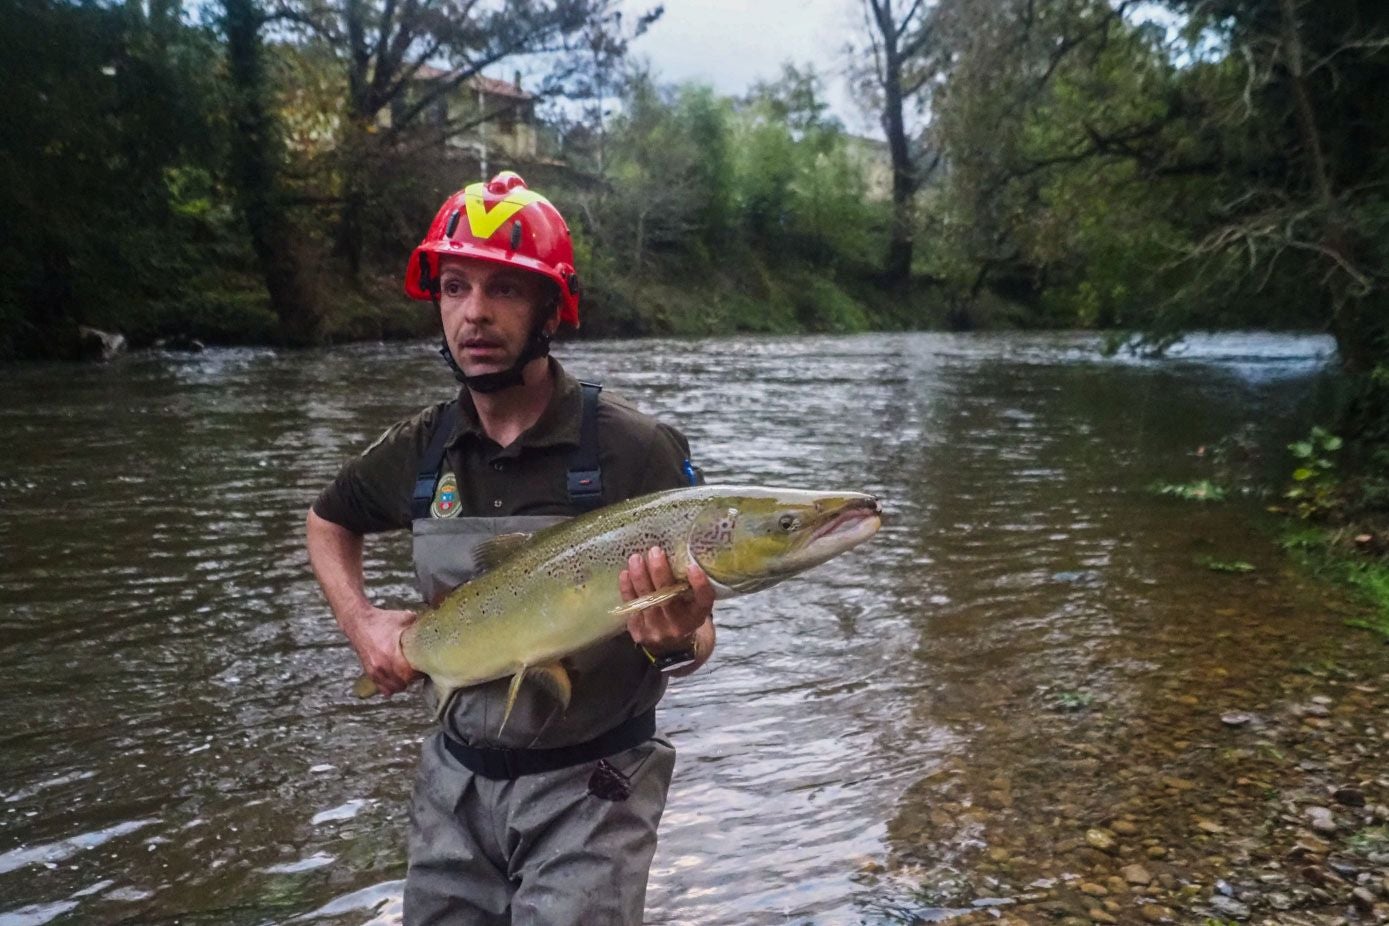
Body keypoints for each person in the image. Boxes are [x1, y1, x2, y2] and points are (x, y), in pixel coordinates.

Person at [305, 171, 717, 925]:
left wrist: (678, 638)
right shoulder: (419, 448)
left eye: (505, 290)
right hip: (450, 786)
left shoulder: (635, 449)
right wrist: (361, 622)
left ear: (550, 309)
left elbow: (697, 638)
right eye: (455, 287)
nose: (474, 314)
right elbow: (328, 520)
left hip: (594, 788)